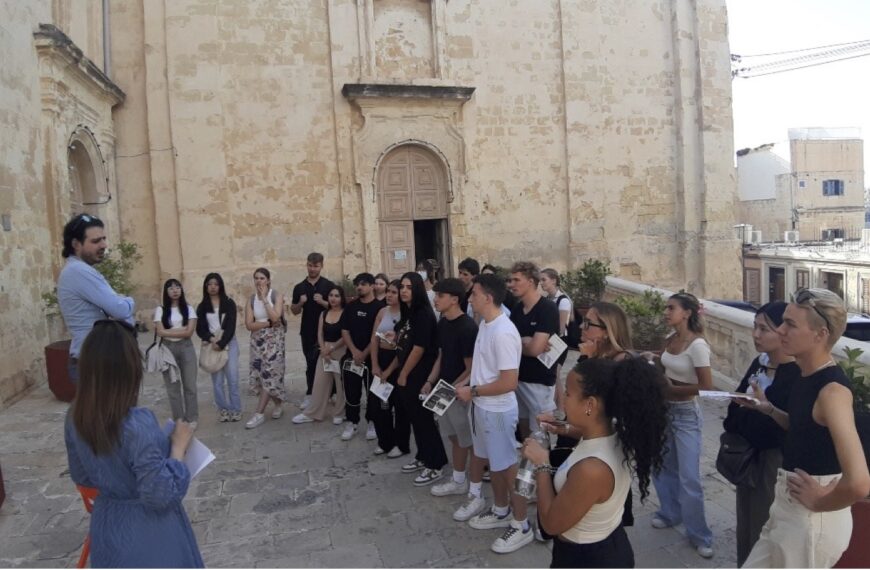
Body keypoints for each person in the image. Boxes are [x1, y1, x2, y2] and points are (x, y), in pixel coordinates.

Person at [742, 289, 870, 568]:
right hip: (787, 510)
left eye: (790, 324)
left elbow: (859, 482)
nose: (781, 330)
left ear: (820, 334)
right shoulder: (805, 373)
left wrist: (820, 502)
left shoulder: (832, 391)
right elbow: (803, 426)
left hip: (811, 520)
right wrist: (769, 409)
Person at [64, 320, 203, 567]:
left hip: (107, 526)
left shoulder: (75, 417)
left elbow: (82, 476)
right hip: (149, 535)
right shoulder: (137, 425)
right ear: (128, 370)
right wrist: (178, 448)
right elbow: (161, 495)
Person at [522, 357, 668, 568]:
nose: (562, 400)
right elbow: (591, 437)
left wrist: (542, 463)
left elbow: (551, 524)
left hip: (586, 557)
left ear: (590, 404)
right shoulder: (617, 433)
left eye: (568, 394)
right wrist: (562, 428)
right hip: (607, 542)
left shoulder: (591, 470)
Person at [454, 273, 534, 554]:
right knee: (495, 464)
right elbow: (485, 367)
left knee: (510, 468)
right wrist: (467, 383)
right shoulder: (486, 325)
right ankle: (501, 510)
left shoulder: (502, 331)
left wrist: (472, 392)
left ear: (487, 297)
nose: (470, 298)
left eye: (473, 294)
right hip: (482, 408)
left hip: (498, 411)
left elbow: (509, 382)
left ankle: (522, 523)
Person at [722, 302, 800, 566]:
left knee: (764, 525)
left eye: (764, 328)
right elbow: (734, 411)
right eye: (755, 326)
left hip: (772, 463)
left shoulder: (796, 374)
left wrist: (754, 413)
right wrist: (750, 415)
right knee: (745, 520)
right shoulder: (759, 363)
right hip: (747, 458)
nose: (756, 334)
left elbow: (774, 431)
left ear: (783, 332)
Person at [650, 291, 715, 558]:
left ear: (687, 312)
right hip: (664, 412)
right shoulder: (670, 339)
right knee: (664, 467)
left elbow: (706, 387)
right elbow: (665, 367)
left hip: (686, 414)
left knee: (689, 477)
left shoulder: (697, 345)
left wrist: (669, 389)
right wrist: (651, 359)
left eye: (671, 308)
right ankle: (669, 512)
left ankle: (700, 534)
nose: (666, 312)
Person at [382, 272, 448, 485]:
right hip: (408, 372)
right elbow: (407, 341)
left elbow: (419, 348)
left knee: (424, 420)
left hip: (418, 373)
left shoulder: (422, 314)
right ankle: (423, 456)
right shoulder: (408, 313)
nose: (403, 291)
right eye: (402, 286)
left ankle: (435, 464)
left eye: (409, 287)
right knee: (415, 419)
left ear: (417, 289)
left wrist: (402, 373)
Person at [56, 213, 135, 382]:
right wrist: (129, 300)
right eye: (95, 241)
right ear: (76, 244)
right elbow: (120, 309)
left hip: (96, 360)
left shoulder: (78, 270)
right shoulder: (79, 271)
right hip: (94, 364)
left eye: (103, 239)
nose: (104, 245)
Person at [425, 278, 478, 497]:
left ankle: (464, 481)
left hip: (456, 393)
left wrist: (453, 389)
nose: (435, 300)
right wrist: (430, 381)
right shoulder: (443, 323)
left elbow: (471, 367)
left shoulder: (467, 327)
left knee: (466, 439)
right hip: (443, 389)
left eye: (440, 296)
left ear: (454, 299)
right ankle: (459, 477)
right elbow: (441, 355)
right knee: (453, 437)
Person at [507, 261, 560, 437]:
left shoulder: (547, 308)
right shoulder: (516, 309)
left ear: (530, 281)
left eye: (516, 280)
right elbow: (509, 344)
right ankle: (525, 464)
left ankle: (541, 465)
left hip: (540, 381)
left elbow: (536, 349)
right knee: (523, 430)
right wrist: (525, 340)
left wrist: (525, 344)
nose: (511, 284)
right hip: (519, 378)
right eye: (510, 280)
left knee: (540, 434)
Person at [339, 273, 385, 441]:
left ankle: (372, 421)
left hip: (372, 359)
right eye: (358, 284)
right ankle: (352, 421)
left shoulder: (380, 308)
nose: (359, 287)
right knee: (351, 392)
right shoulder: (351, 307)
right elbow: (344, 330)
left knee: (372, 393)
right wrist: (354, 351)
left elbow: (378, 335)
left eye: (364, 284)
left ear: (372, 286)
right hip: (352, 358)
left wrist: (365, 353)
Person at [293, 286, 347, 425]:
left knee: (340, 384)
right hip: (325, 352)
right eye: (331, 295)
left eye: (336, 295)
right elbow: (320, 333)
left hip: (340, 350)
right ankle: (313, 413)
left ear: (342, 298)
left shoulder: (346, 313)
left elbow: (346, 335)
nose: (333, 298)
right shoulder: (323, 314)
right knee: (319, 383)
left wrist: (332, 348)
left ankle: (339, 413)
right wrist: (323, 349)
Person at [370, 279, 410, 458]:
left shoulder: (406, 315)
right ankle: (384, 441)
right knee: (378, 405)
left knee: (400, 406)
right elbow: (374, 339)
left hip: (398, 361)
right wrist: (375, 364)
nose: (389, 295)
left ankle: (400, 444)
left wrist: (388, 371)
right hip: (382, 359)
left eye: (393, 292)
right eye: (388, 291)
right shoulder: (382, 312)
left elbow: (403, 347)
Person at [290, 253, 334, 410]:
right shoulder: (299, 287)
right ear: (306, 265)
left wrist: (323, 302)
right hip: (308, 332)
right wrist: (300, 303)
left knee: (329, 363)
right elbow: (294, 311)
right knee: (311, 364)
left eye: (316, 266)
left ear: (322, 266)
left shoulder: (328, 286)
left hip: (328, 331)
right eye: (310, 265)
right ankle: (310, 394)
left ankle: (330, 394)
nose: (312, 269)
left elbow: (337, 307)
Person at [244, 268, 287, 429]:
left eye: (262, 278)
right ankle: (278, 403)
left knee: (270, 372)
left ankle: (259, 413)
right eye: (256, 278)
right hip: (257, 341)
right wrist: (267, 324)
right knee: (261, 375)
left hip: (274, 341)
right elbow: (249, 324)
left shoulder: (276, 295)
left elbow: (276, 316)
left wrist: (264, 299)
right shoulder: (250, 299)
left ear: (268, 280)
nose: (259, 281)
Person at [196, 273, 241, 422]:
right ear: (206, 287)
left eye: (215, 284)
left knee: (232, 378)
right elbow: (200, 328)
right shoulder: (202, 307)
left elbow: (231, 326)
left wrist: (221, 343)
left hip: (228, 343)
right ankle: (223, 410)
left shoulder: (229, 303)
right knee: (217, 382)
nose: (213, 287)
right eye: (209, 284)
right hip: (211, 344)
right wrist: (210, 339)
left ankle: (235, 409)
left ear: (220, 285)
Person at [154, 279, 199, 427]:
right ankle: (179, 420)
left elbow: (189, 333)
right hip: (167, 349)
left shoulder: (188, 309)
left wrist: (169, 332)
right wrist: (181, 331)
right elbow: (159, 332)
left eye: (177, 287)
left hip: (186, 347)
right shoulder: (160, 310)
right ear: (166, 292)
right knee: (172, 387)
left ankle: (192, 418)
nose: (175, 290)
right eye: (171, 288)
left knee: (190, 385)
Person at [540, 268, 573, 410]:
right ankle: (559, 407)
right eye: (540, 280)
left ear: (553, 280)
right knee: (555, 374)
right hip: (549, 340)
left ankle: (558, 407)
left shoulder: (563, 300)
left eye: (544, 280)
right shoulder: (548, 300)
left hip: (559, 341)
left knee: (555, 374)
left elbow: (561, 327)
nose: (541, 283)